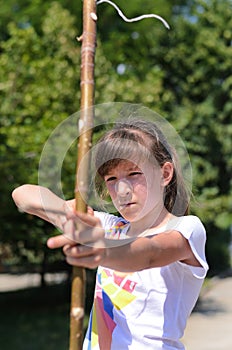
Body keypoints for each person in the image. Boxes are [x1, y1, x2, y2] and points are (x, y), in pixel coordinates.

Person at [12, 118, 208, 350]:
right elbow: (23, 195)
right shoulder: (107, 226)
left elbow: (148, 254)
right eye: (112, 179)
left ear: (165, 174)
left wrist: (101, 249)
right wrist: (67, 218)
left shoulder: (186, 229)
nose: (122, 190)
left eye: (134, 174)